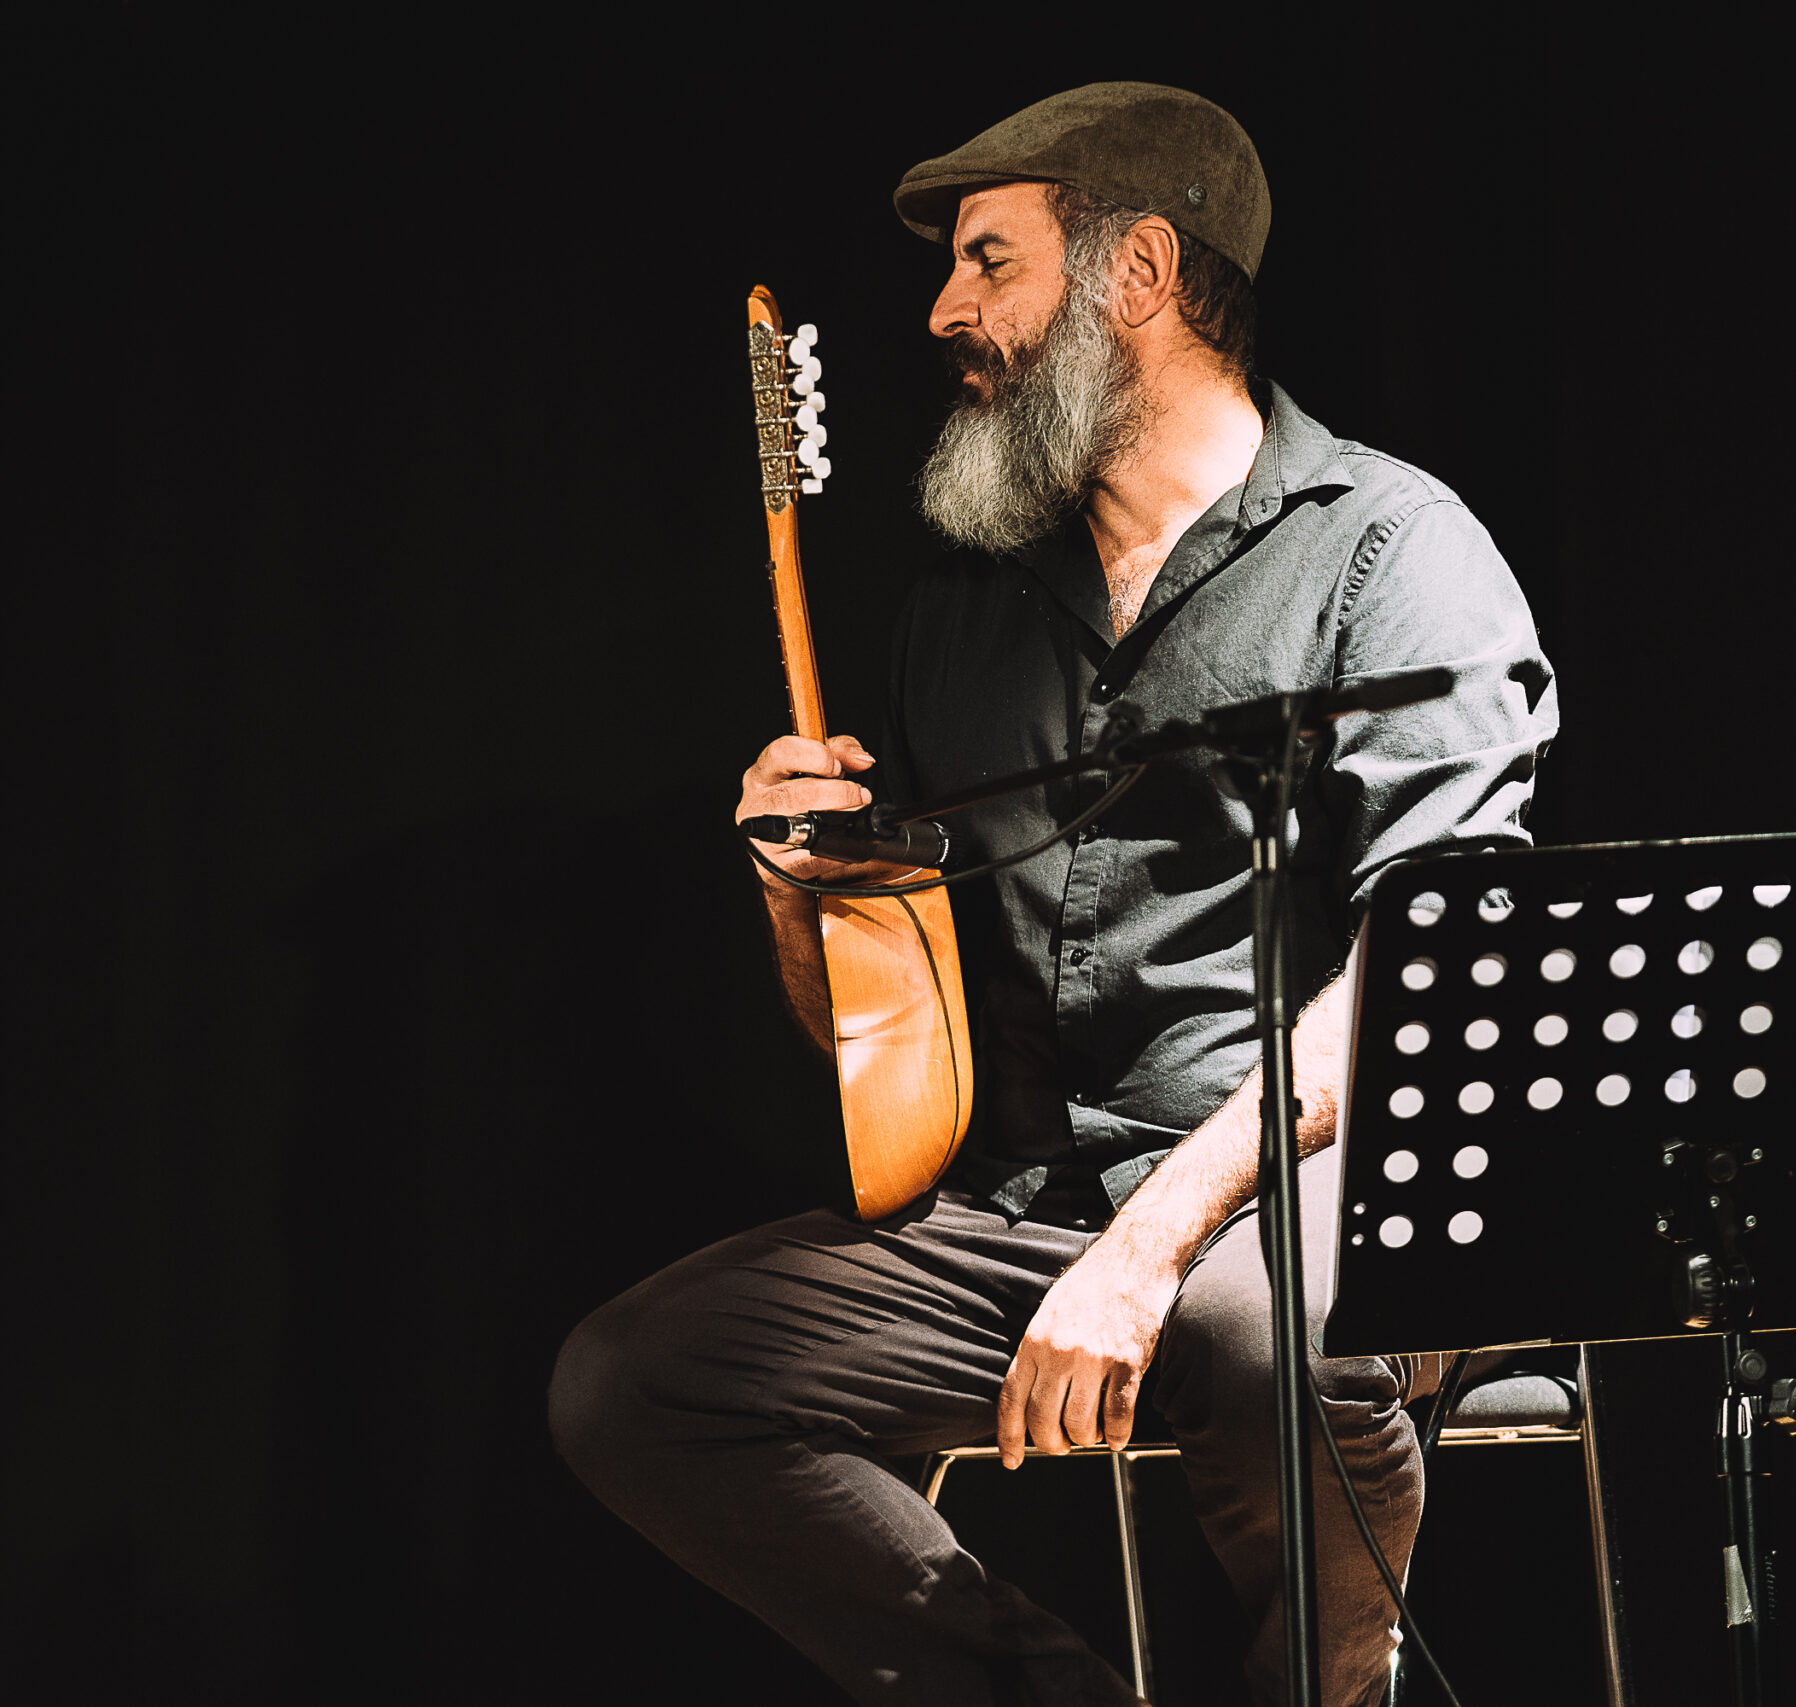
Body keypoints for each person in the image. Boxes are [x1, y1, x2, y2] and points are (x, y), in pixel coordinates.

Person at [551, 82, 1558, 1706]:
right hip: (1025, 1211)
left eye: (990, 262)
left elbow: (1425, 971)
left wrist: (1151, 1247)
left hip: (1303, 1208)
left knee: (1259, 1339)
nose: (945, 312)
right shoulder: (968, 609)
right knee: (637, 1381)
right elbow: (892, 1057)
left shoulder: (1390, 550)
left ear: (1138, 272)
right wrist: (800, 898)